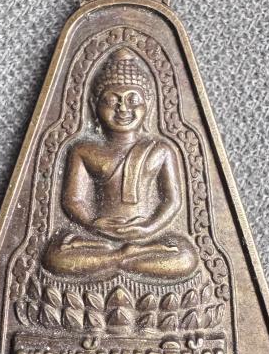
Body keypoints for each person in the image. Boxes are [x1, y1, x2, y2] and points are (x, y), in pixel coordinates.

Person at [42, 47, 198, 280]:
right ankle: (122, 257)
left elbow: (172, 201)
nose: (123, 108)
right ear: (94, 105)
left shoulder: (161, 150)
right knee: (55, 256)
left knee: (186, 257)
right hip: (97, 237)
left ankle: (117, 258)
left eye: (133, 100)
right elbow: (73, 201)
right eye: (111, 100)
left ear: (148, 104)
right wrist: (93, 224)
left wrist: (148, 228)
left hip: (145, 237)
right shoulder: (83, 150)